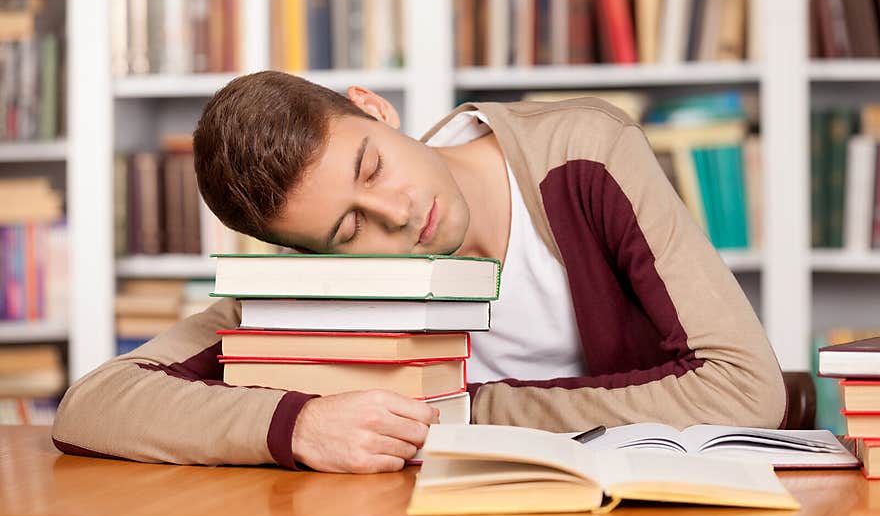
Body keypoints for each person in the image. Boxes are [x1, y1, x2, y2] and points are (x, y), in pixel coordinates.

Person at [51, 71, 787, 474]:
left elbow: (746, 386)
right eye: (348, 229)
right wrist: (299, 423)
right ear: (315, 257)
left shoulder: (582, 153)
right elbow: (95, 404)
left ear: (374, 107)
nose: (395, 214)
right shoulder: (332, 279)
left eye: (370, 165)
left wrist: (463, 415)